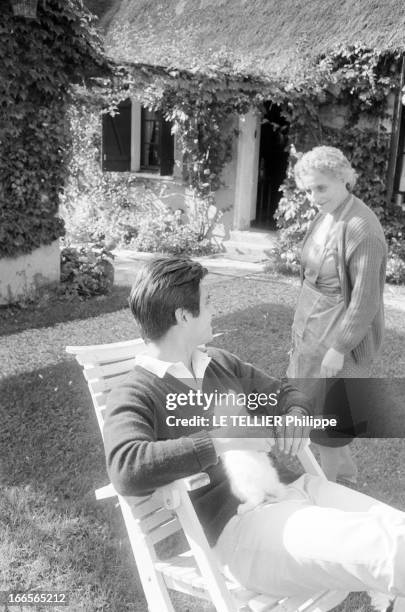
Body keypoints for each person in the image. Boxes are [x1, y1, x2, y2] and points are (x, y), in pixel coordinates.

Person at [103, 256, 404, 606]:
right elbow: (125, 467)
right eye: (208, 302)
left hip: (295, 489)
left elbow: (287, 394)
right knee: (389, 550)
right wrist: (220, 440)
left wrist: (293, 415)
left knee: (398, 532)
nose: (213, 310)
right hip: (242, 528)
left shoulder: (217, 362)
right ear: (183, 316)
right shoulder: (137, 391)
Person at [286, 146, 388, 482]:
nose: (314, 197)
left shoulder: (361, 227)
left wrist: (339, 348)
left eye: (321, 188)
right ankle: (347, 481)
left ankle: (331, 495)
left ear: (343, 179)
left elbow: (365, 300)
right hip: (311, 334)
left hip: (335, 341)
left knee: (327, 425)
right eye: (309, 190)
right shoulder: (323, 216)